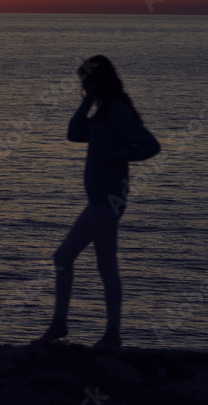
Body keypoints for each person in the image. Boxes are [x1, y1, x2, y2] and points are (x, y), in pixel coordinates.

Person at [41, 55, 160, 348]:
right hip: (98, 199)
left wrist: (118, 155)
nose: (82, 85)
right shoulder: (103, 112)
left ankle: (112, 334)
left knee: (105, 264)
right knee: (62, 258)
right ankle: (60, 325)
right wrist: (86, 102)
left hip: (108, 198)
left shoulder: (118, 111)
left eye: (86, 80)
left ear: (97, 80)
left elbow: (151, 145)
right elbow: (73, 133)